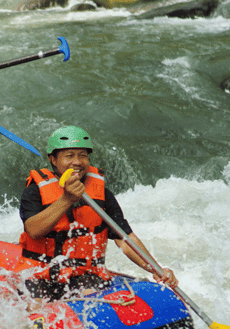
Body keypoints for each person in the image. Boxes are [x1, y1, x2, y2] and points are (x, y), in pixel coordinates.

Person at [17, 125, 178, 300]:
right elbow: (33, 230)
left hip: (84, 275)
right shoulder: (34, 192)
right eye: (69, 156)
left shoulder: (102, 194)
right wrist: (67, 199)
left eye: (83, 155)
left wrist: (155, 269)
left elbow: (125, 239)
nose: (77, 162)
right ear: (53, 160)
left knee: (90, 296)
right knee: (34, 306)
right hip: (41, 274)